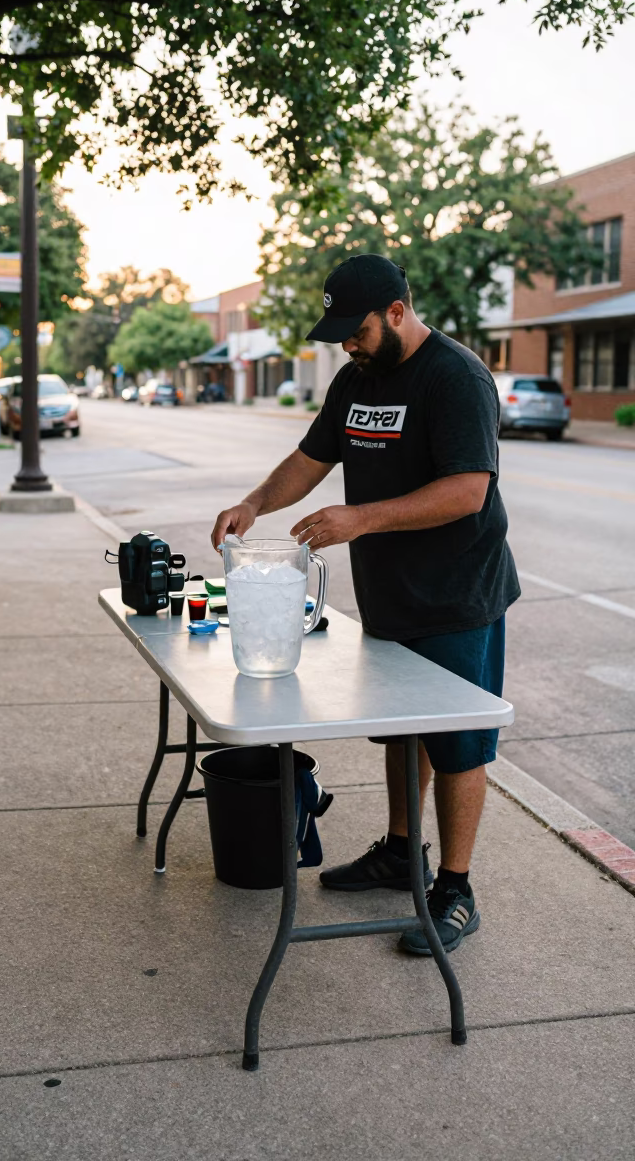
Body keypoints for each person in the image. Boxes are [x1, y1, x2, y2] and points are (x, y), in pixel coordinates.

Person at [211, 254, 519, 957]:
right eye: (340, 332)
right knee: (401, 732)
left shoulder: (455, 377)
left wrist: (360, 519)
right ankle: (400, 852)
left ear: (397, 312)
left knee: (458, 743)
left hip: (458, 597)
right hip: (392, 599)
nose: (347, 343)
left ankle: (455, 887)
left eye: (357, 329)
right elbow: (310, 458)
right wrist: (254, 502)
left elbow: (467, 491)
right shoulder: (356, 380)